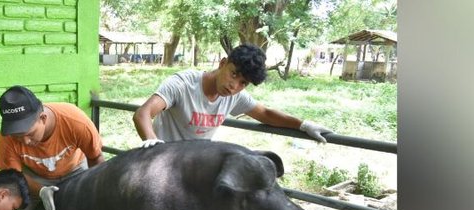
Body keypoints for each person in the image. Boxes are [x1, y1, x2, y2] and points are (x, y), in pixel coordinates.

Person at [133, 43, 334, 147]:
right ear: (222, 64)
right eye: (234, 73)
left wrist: (303, 125)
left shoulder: (235, 95)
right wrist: (153, 144)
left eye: (243, 83)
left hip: (196, 163)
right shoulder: (182, 84)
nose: (234, 86)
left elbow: (265, 114)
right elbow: (143, 113)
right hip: (162, 161)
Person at [0, 85, 105, 210]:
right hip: (31, 177)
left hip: (75, 172)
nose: (25, 141)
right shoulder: (7, 139)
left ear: (43, 118)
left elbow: (95, 158)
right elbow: (14, 177)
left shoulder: (74, 121)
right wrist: (40, 190)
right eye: (18, 136)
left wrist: (93, 193)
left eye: (30, 133)